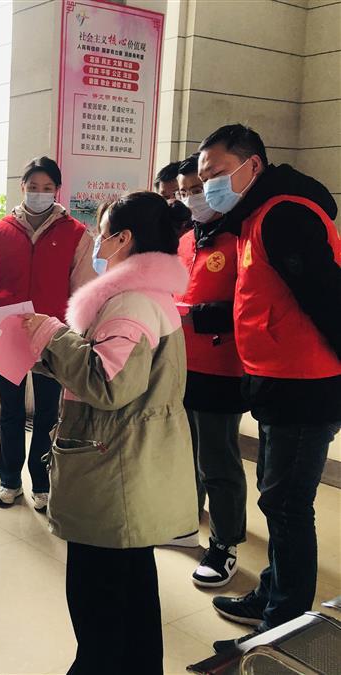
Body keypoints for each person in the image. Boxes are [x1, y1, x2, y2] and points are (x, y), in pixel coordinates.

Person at [24, 192, 197, 675]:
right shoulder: (150, 295)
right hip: (132, 468)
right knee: (134, 600)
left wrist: (51, 335)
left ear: (123, 239)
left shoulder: (130, 303)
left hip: (112, 472)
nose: (96, 244)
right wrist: (48, 353)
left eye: (102, 234)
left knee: (99, 605)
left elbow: (109, 384)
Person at [196, 124, 341, 652]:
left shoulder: (285, 215)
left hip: (307, 385)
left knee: (287, 504)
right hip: (278, 382)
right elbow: (267, 300)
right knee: (276, 497)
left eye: (216, 173)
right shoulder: (256, 216)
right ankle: (272, 594)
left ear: (252, 165)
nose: (208, 186)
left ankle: (284, 621)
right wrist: (211, 315)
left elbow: (328, 297)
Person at [0, 156, 95, 511]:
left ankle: (42, 483)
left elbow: (83, 289)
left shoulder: (76, 233)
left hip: (53, 337)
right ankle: (9, 481)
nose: (40, 193)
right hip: (7, 335)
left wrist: (77, 339)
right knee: (9, 413)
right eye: (33, 186)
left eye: (47, 187)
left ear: (57, 190)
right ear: (22, 187)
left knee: (47, 414)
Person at [170, 153, 249, 588]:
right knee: (186, 453)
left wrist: (197, 315)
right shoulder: (187, 240)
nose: (192, 198)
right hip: (183, 364)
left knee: (217, 459)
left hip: (223, 366)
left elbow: (250, 303)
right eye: (185, 192)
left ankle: (225, 543)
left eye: (198, 189)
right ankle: (185, 522)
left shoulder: (240, 236)